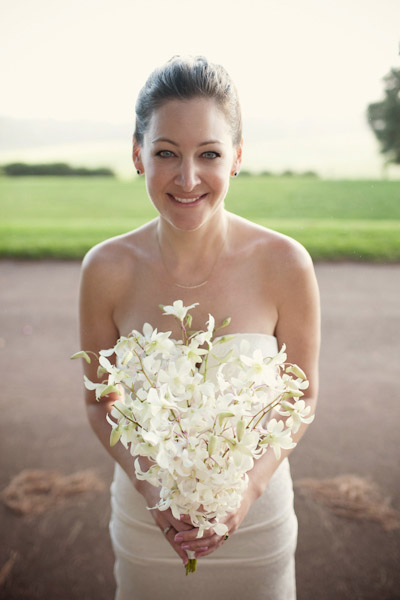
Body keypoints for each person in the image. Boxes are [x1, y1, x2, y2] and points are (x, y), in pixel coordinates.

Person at [79, 55, 320, 600]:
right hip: (148, 527)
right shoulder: (106, 269)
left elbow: (301, 397)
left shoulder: (286, 263)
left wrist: (247, 490)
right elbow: (100, 400)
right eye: (166, 153)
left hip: (257, 527)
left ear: (236, 157)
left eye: (208, 154)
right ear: (138, 155)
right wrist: (152, 489)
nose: (187, 178)